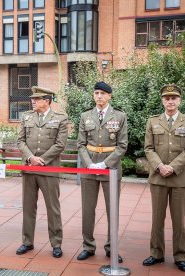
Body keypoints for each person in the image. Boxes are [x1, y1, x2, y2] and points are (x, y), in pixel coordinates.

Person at [142, 84, 185, 273]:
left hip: (179, 177)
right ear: (162, 101)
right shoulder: (153, 121)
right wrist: (160, 166)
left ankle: (180, 256)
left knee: (179, 220)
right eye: (167, 98)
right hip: (158, 176)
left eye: (174, 98)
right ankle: (156, 253)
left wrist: (172, 167)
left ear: (179, 100)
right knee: (157, 219)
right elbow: (148, 148)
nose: (170, 101)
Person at [76, 81, 128, 263]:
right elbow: (81, 144)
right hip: (89, 168)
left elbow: (122, 146)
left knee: (112, 210)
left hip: (111, 169)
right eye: (96, 93)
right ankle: (88, 246)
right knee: (88, 209)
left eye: (102, 93)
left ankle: (111, 247)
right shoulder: (85, 116)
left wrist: (105, 164)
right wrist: (89, 163)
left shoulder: (120, 116)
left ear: (109, 96)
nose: (99, 96)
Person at [16, 86, 68, 258]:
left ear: (46, 101)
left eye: (36, 99)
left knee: (53, 207)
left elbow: (60, 144)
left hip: (49, 168)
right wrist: (31, 158)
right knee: (28, 207)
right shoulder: (26, 117)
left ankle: (56, 243)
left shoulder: (60, 118)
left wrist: (42, 159)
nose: (32, 101)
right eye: (32, 98)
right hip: (29, 168)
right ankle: (27, 242)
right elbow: (20, 141)